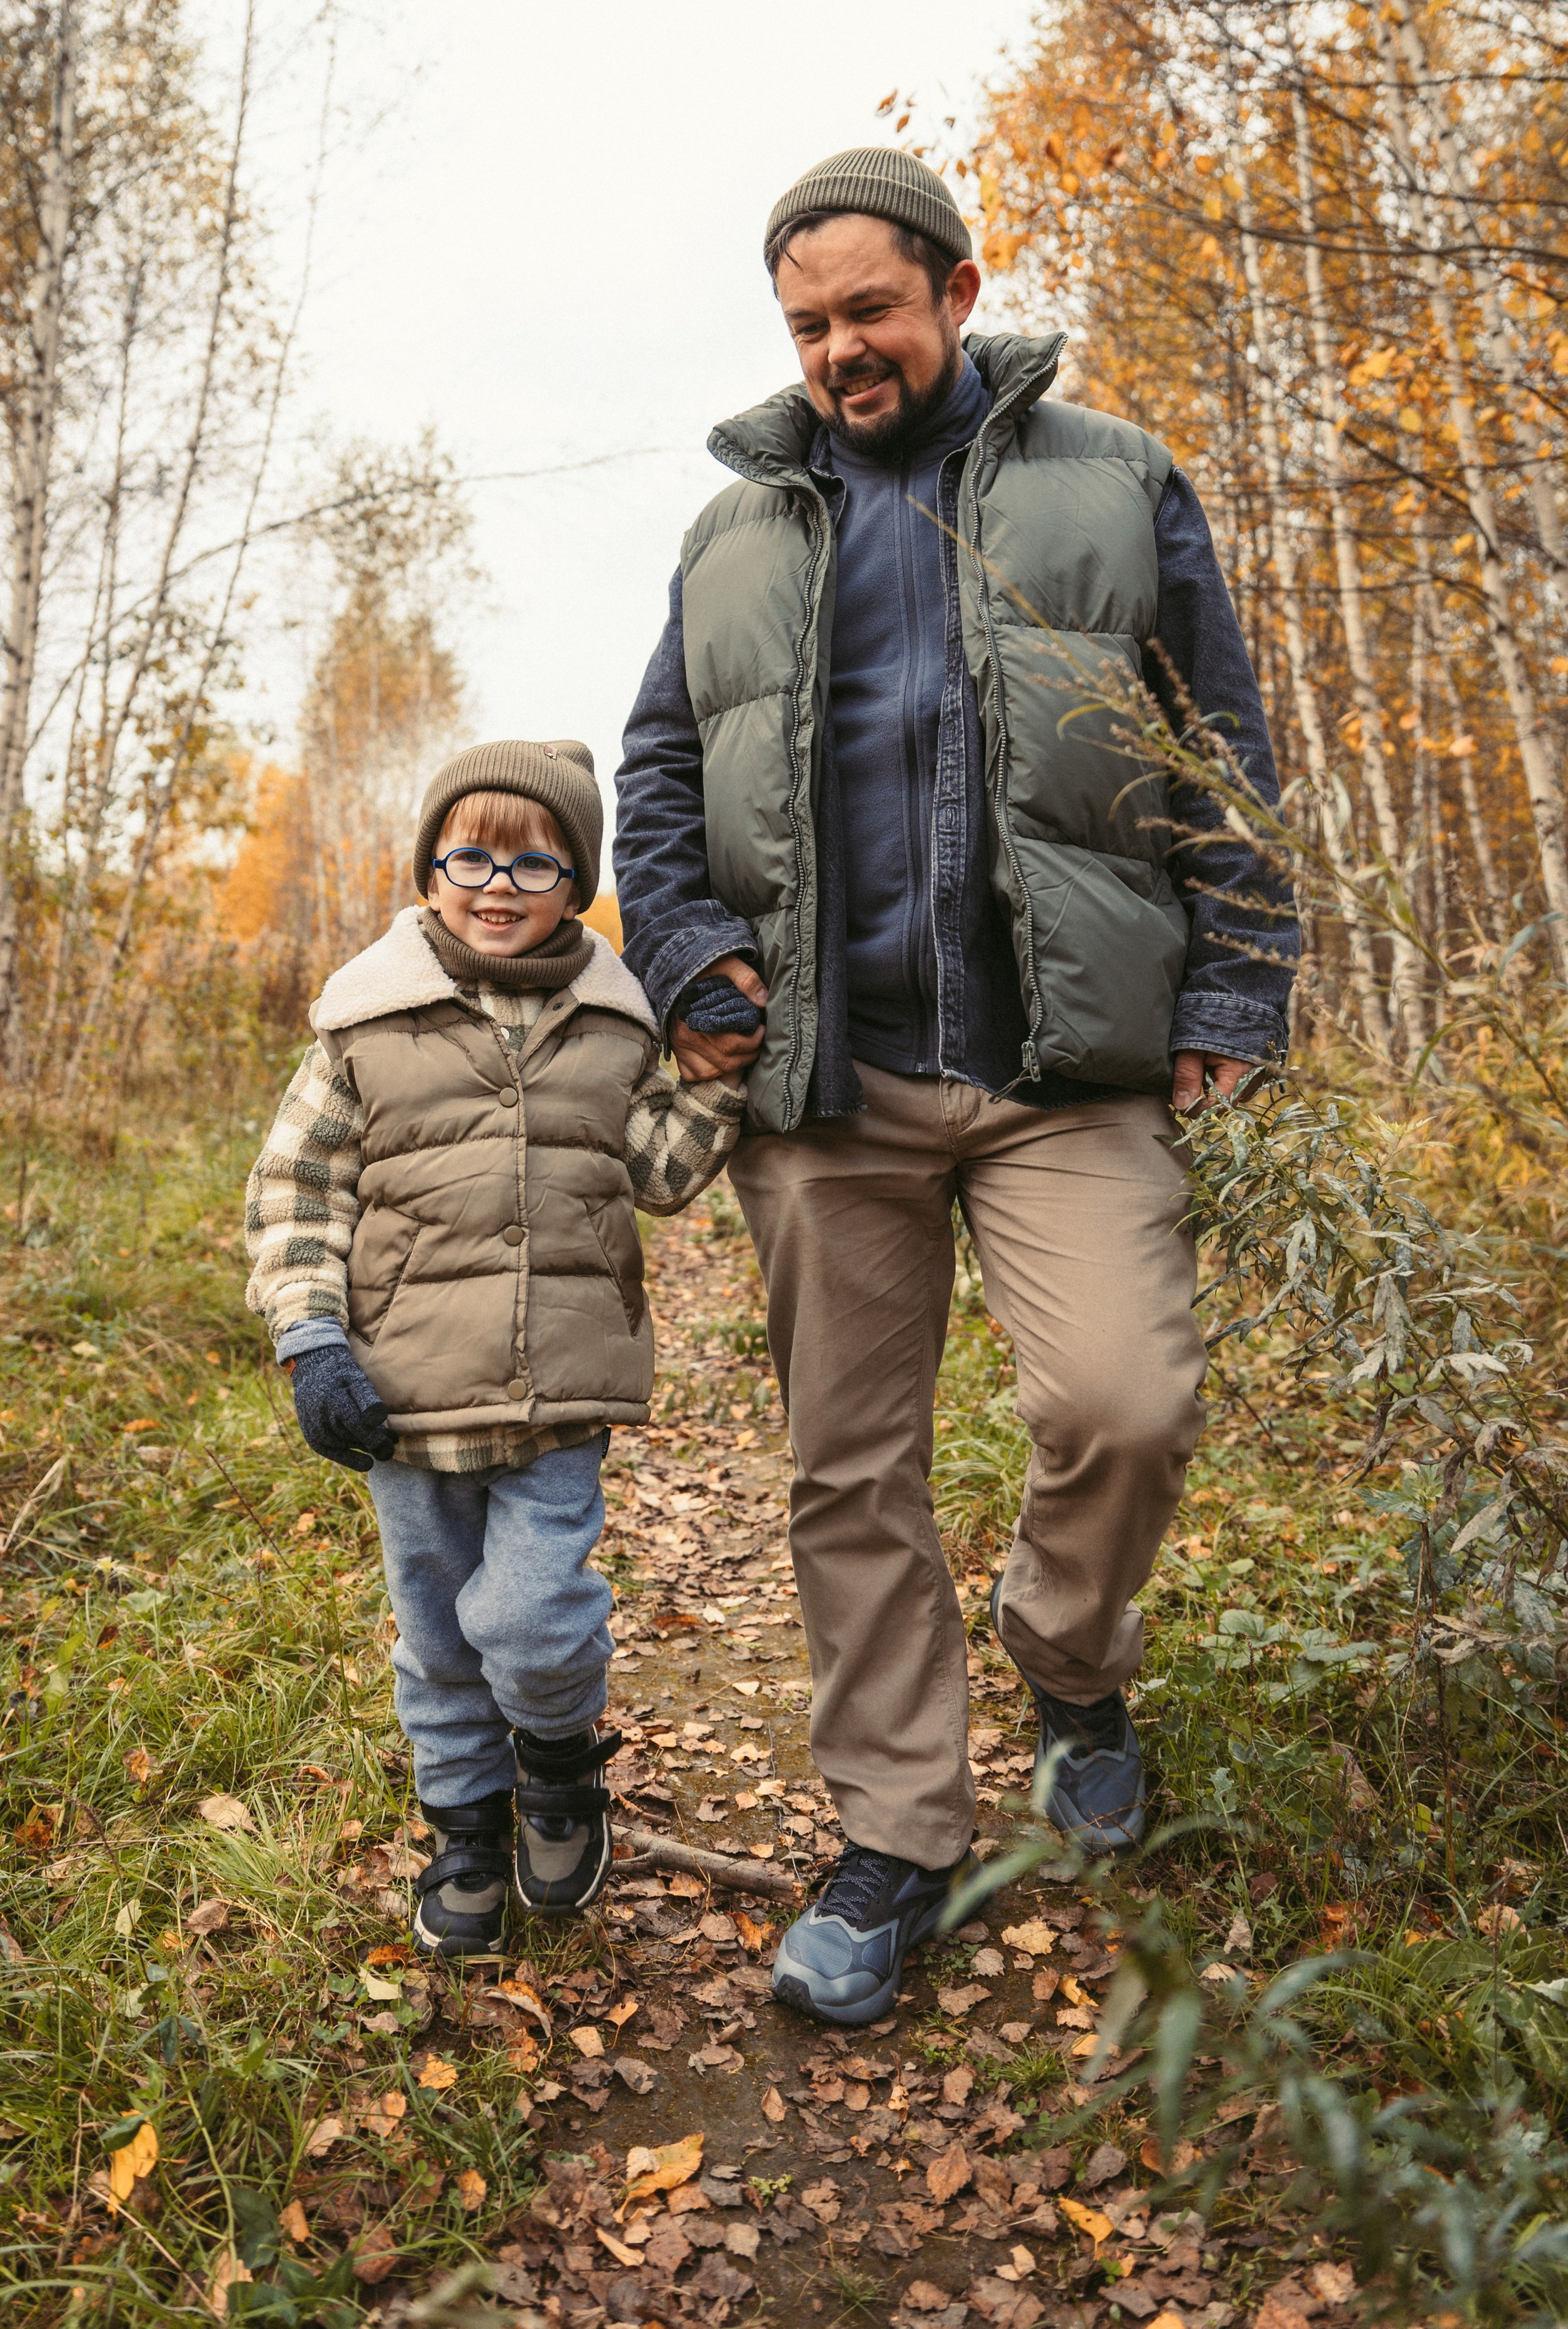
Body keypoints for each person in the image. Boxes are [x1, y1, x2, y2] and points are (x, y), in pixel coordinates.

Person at [613, 144, 1297, 2026]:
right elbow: (656, 775)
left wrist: (1236, 980)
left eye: (869, 311)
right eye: (805, 324)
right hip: (827, 1083)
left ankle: (1068, 1659)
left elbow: (1217, 742)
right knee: (849, 1472)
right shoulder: (733, 531)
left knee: (1125, 1404)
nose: (839, 349)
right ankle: (896, 1835)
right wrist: (687, 955)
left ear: (957, 293)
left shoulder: (1112, 480)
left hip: (1065, 1066)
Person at [242, 738, 746, 1961]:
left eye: (535, 863)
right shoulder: (365, 1025)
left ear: (578, 885)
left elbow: (658, 1173)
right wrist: (312, 1339)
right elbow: (296, 1192)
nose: (499, 886)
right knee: (437, 1634)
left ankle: (561, 1766)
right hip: (403, 1396)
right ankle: (466, 1830)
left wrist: (716, 1084)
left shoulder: (614, 1024)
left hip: (558, 1396)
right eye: (470, 857)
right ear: (430, 873)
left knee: (533, 1619)